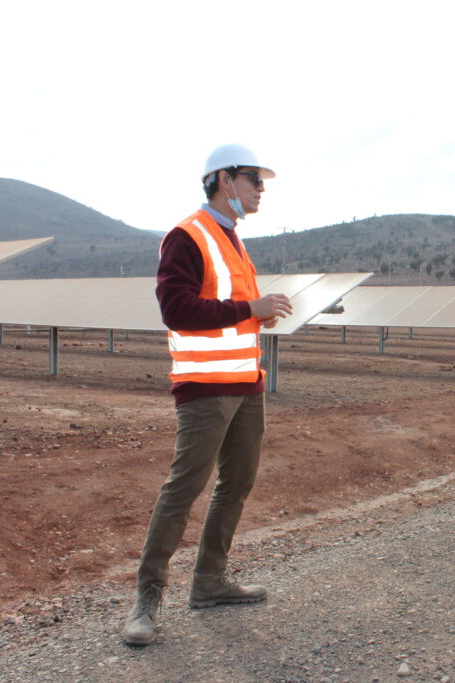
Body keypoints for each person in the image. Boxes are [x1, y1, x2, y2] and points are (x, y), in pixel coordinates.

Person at [122, 144, 294, 646]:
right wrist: (248, 307)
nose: (261, 190)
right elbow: (176, 309)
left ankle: (209, 582)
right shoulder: (187, 236)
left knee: (236, 484)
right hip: (204, 388)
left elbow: (232, 309)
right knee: (183, 490)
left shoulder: (234, 239)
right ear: (224, 180)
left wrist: (256, 312)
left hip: (246, 384)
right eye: (254, 180)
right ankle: (147, 598)